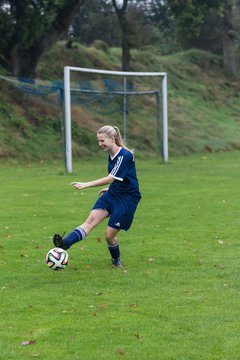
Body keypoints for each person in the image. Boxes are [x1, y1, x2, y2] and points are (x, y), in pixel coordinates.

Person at [53, 125, 141, 268]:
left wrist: (87, 184)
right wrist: (110, 189)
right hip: (113, 193)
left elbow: (112, 177)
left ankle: (116, 260)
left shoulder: (125, 155)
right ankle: (64, 244)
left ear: (112, 139)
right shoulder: (111, 155)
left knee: (109, 235)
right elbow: (120, 178)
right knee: (90, 221)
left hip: (127, 199)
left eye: (102, 141)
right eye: (98, 141)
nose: (100, 144)